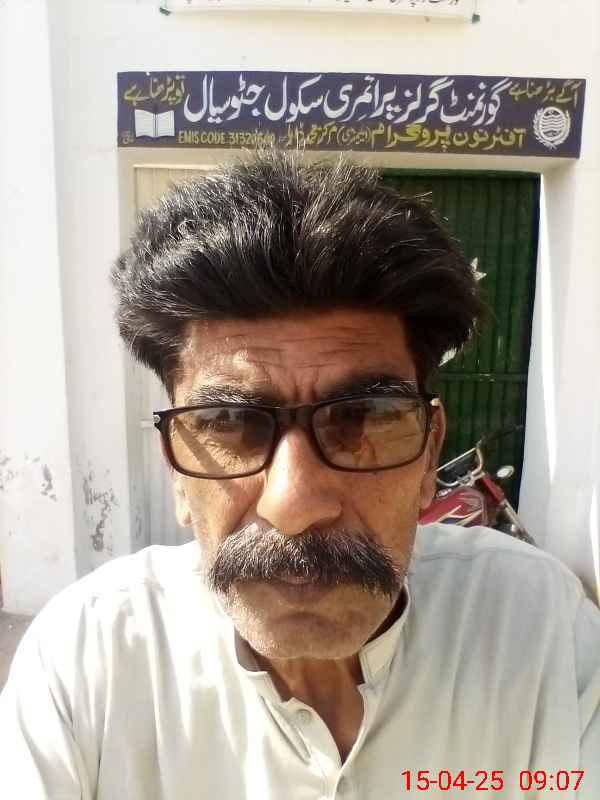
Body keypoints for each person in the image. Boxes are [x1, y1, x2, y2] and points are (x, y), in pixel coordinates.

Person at [1, 151, 598, 798]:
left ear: (430, 455)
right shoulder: (90, 661)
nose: (294, 503)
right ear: (176, 471)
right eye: (231, 422)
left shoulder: (541, 634)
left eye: (363, 418)